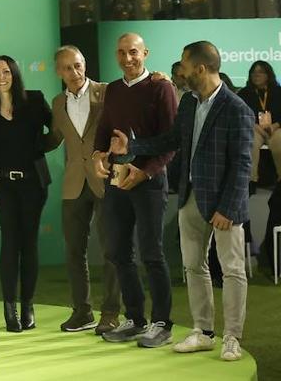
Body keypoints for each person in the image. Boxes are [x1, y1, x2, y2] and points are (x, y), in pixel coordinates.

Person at [104, 41, 253, 362]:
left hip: (225, 205)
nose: (179, 70)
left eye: (184, 64)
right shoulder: (188, 104)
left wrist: (228, 207)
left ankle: (232, 337)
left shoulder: (237, 108)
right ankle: (204, 332)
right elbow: (170, 141)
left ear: (200, 68)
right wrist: (132, 146)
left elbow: (242, 164)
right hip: (190, 198)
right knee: (193, 267)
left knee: (232, 270)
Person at [91, 32, 178, 349]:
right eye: (121, 53)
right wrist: (97, 158)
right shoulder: (112, 90)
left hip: (150, 183)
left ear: (145, 52)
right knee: (117, 252)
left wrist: (144, 171)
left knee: (152, 253)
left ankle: (161, 323)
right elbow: (103, 132)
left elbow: (171, 142)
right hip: (116, 181)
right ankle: (135, 319)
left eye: (133, 52)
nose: (127, 59)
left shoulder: (161, 87)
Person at [44, 45, 121, 335]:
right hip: (74, 184)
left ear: (84, 64)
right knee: (74, 251)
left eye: (77, 65)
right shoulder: (56, 103)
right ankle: (82, 311)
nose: (74, 73)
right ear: (58, 72)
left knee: (111, 250)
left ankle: (111, 312)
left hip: (105, 179)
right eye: (67, 68)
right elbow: (53, 139)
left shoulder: (108, 92)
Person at [0, 55, 51, 332]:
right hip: (3, 185)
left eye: (6, 71)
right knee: (10, 242)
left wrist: (41, 148)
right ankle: (9, 308)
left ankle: (27, 305)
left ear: (15, 73)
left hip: (34, 184)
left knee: (29, 244)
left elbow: (59, 126)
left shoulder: (34, 100)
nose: (1, 77)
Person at [239, 60, 281, 182]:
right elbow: (240, 115)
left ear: (268, 75)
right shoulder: (244, 93)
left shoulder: (278, 91)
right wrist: (254, 125)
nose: (256, 75)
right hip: (254, 128)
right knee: (249, 142)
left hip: (276, 128)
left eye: (260, 72)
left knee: (280, 142)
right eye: (253, 73)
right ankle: (250, 180)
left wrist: (275, 125)